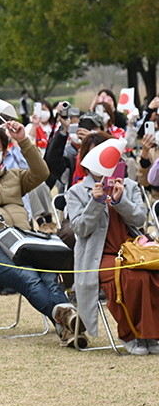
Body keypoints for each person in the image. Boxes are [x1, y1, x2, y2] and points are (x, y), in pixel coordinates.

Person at [0, 123, 88, 348]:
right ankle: (65, 315)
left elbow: (42, 173)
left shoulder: (15, 177)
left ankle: (65, 326)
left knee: (49, 277)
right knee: (29, 277)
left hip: (26, 241)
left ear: (5, 152)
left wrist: (23, 140)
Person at [66, 137, 159, 355]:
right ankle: (130, 334)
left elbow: (139, 219)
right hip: (99, 256)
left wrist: (120, 200)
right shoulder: (77, 192)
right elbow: (80, 228)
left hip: (134, 251)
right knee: (128, 277)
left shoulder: (130, 186)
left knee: (150, 275)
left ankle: (151, 334)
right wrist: (95, 203)